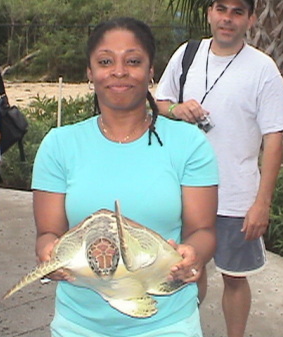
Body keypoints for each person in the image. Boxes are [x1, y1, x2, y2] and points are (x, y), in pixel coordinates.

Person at [32, 17, 218, 337]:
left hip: (168, 323)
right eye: (105, 61)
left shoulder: (189, 144)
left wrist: (193, 254)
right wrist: (50, 253)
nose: (119, 71)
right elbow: (48, 233)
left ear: (150, 71)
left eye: (132, 61)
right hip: (79, 324)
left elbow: (203, 231)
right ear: (90, 73)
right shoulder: (59, 145)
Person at [155, 0, 283, 336]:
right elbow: (160, 104)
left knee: (235, 278)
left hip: (236, 196)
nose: (227, 19)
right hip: (185, 194)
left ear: (250, 19)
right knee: (188, 269)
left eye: (237, 12)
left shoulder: (263, 69)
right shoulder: (187, 54)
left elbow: (274, 141)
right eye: (221, 9)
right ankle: (185, 329)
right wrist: (177, 109)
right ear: (209, 13)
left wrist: (261, 203)